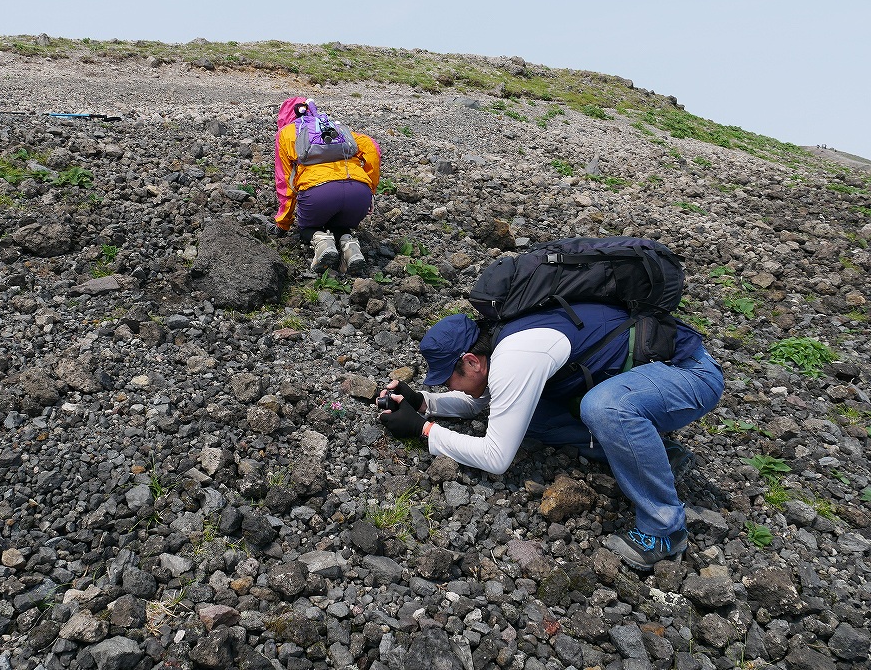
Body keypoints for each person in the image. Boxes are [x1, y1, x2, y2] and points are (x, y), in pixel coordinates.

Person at [377, 305, 724, 570]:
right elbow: (483, 402)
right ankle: (656, 455)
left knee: (604, 408)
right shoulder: (498, 341)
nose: (445, 387)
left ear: (471, 362)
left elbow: (496, 458)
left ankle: (664, 530)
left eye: (446, 381)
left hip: (689, 374)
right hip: (650, 374)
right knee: (533, 417)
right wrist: (423, 403)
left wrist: (424, 430)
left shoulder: (516, 357)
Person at [273, 97, 381, 275]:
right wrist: (370, 188)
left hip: (318, 195)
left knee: (308, 227)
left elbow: (284, 183)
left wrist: (283, 223)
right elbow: (372, 147)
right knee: (338, 222)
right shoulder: (332, 127)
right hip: (358, 193)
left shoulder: (286, 134)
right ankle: (349, 245)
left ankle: (321, 240)